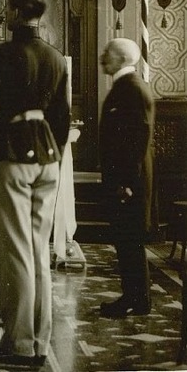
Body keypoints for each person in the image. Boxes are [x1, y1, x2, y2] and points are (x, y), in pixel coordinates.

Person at [0, 0, 70, 369]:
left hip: (14, 154)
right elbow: (62, 117)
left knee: (15, 253)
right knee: (38, 251)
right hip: (49, 156)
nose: (5, 14)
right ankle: (39, 343)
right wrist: (52, 150)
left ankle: (18, 344)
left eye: (8, 9)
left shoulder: (1, 53)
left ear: (16, 12)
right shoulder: (56, 57)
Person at [98, 38, 155, 317]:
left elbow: (138, 139)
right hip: (124, 180)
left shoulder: (132, 88)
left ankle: (136, 299)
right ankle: (135, 298)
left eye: (107, 53)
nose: (102, 57)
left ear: (121, 59)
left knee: (130, 241)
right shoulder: (125, 86)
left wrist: (126, 183)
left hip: (129, 183)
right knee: (127, 241)